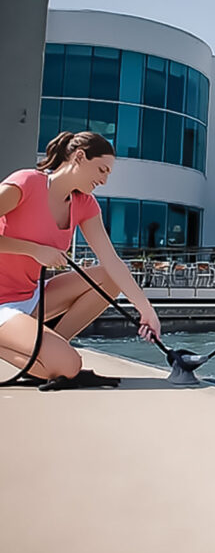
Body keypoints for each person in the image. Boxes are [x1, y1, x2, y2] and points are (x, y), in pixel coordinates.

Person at [0, 131, 161, 381]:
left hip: (29, 297)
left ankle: (53, 347)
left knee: (109, 277)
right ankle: (53, 356)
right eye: (101, 170)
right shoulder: (26, 182)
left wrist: (146, 310)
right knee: (68, 367)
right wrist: (34, 249)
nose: (105, 180)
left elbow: (111, 261)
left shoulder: (84, 204)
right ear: (79, 157)